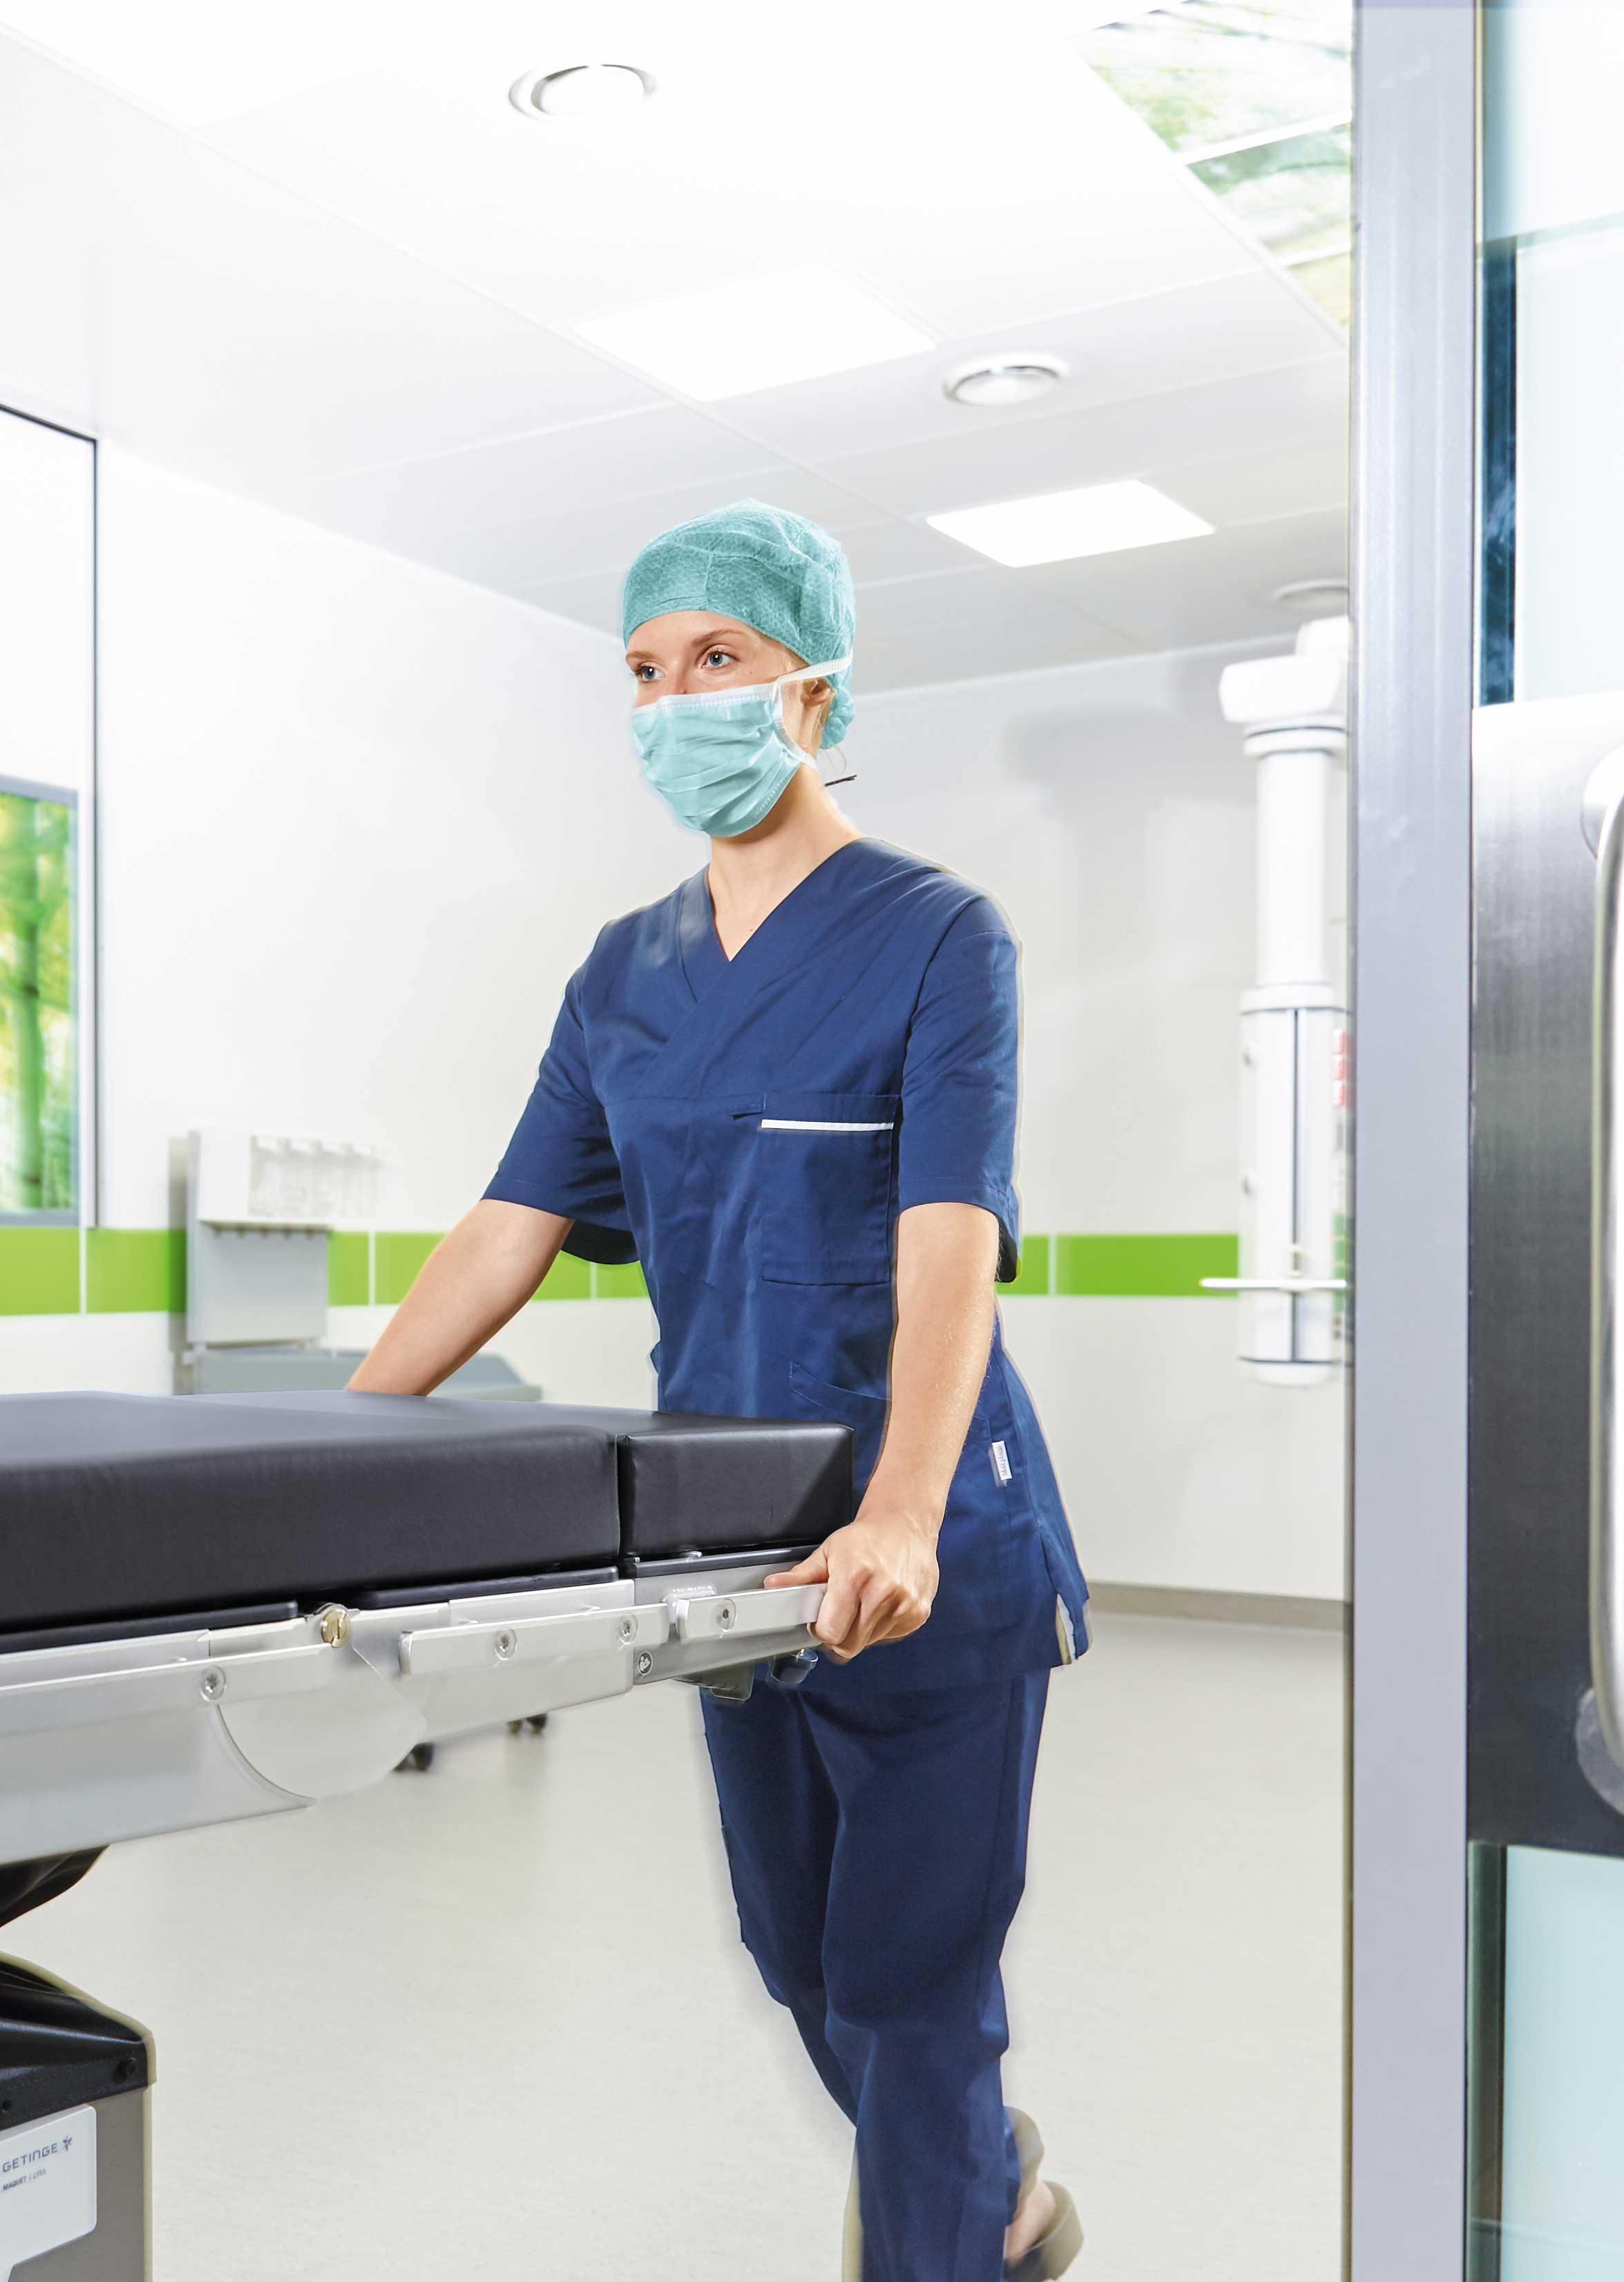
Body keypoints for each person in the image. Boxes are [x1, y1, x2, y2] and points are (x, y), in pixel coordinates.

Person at [347, 501, 1089, 2281]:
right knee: (797, 1953)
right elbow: (509, 1221)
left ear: (813, 691)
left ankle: (948, 2224)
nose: (681, 700)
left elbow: (946, 1238)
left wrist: (902, 1507)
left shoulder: (937, 936)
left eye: (722, 662)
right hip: (726, 1540)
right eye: (648, 672)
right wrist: (329, 1443)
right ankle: (991, 2185)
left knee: (913, 1991)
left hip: (928, 1533)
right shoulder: (626, 974)